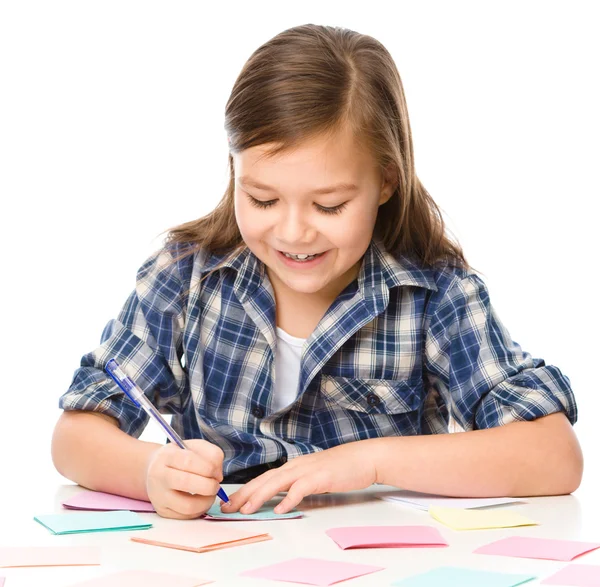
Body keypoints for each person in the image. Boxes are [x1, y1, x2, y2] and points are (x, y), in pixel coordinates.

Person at [51, 24, 582, 520]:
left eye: (328, 206)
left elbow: (555, 457)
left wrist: (369, 462)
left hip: (379, 568)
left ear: (387, 182)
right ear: (235, 171)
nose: (293, 232)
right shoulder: (186, 275)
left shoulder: (435, 294)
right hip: (224, 563)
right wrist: (149, 471)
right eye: (262, 199)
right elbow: (74, 437)